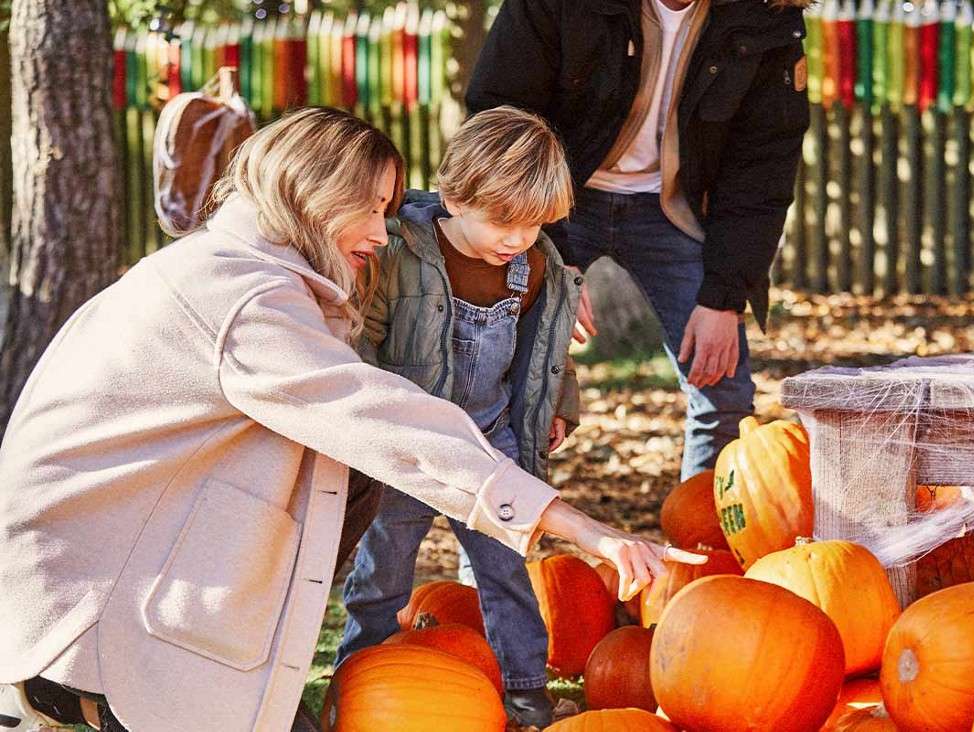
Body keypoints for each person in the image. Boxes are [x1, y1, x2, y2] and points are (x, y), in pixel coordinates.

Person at [0, 107, 699, 732]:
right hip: (89, 599)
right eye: (368, 208)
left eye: (389, 208)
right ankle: (73, 699)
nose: (380, 228)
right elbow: (384, 420)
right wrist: (578, 525)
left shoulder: (247, 270)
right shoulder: (246, 299)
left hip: (129, 554)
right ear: (312, 194)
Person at [467, 0, 812, 479]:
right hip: (554, 202)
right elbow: (500, 111)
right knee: (503, 378)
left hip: (671, 206)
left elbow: (763, 166)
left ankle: (704, 546)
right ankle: (499, 543)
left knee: (724, 390)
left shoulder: (764, 16)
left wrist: (725, 296)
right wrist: (550, 254)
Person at [336, 106, 579, 728]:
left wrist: (557, 403)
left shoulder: (536, 265)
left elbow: (545, 345)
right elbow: (366, 340)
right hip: (411, 445)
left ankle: (525, 690)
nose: (517, 239)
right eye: (503, 222)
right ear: (453, 196)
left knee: (507, 570)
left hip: (489, 438)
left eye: (533, 225)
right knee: (382, 571)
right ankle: (358, 679)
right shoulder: (402, 254)